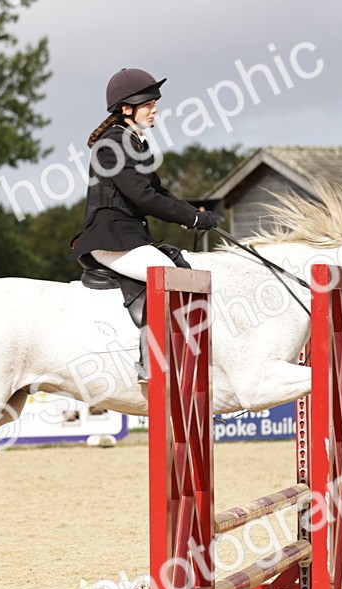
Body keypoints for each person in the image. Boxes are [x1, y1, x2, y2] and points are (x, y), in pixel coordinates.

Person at [69, 68, 223, 379]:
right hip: (109, 238)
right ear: (127, 109)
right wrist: (191, 218)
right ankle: (150, 363)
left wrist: (196, 214)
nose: (155, 109)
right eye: (149, 104)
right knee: (171, 278)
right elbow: (142, 198)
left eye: (155, 103)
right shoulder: (112, 144)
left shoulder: (135, 142)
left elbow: (159, 192)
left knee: (180, 267)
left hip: (128, 237)